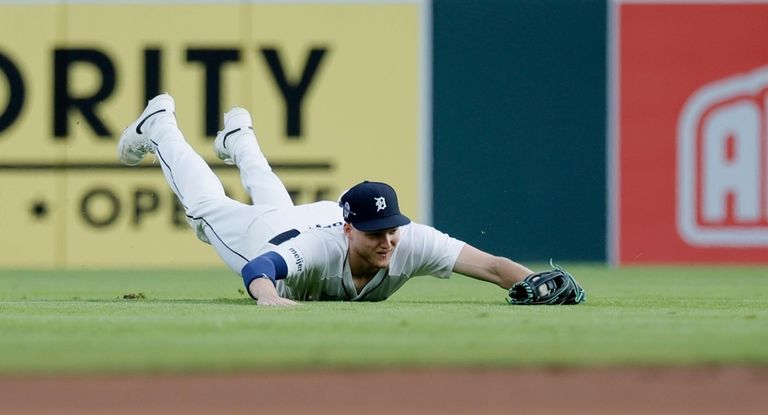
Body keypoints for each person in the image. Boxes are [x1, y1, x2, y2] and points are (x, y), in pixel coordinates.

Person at [118, 94, 534, 306]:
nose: (387, 241)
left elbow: (493, 267)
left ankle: (239, 139)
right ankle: (160, 125)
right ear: (349, 228)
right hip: (269, 236)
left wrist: (535, 283)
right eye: (375, 234)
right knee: (205, 211)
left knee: (277, 203)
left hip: (304, 217)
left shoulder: (409, 240)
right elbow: (262, 268)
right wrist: (268, 297)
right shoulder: (319, 248)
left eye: (391, 229)